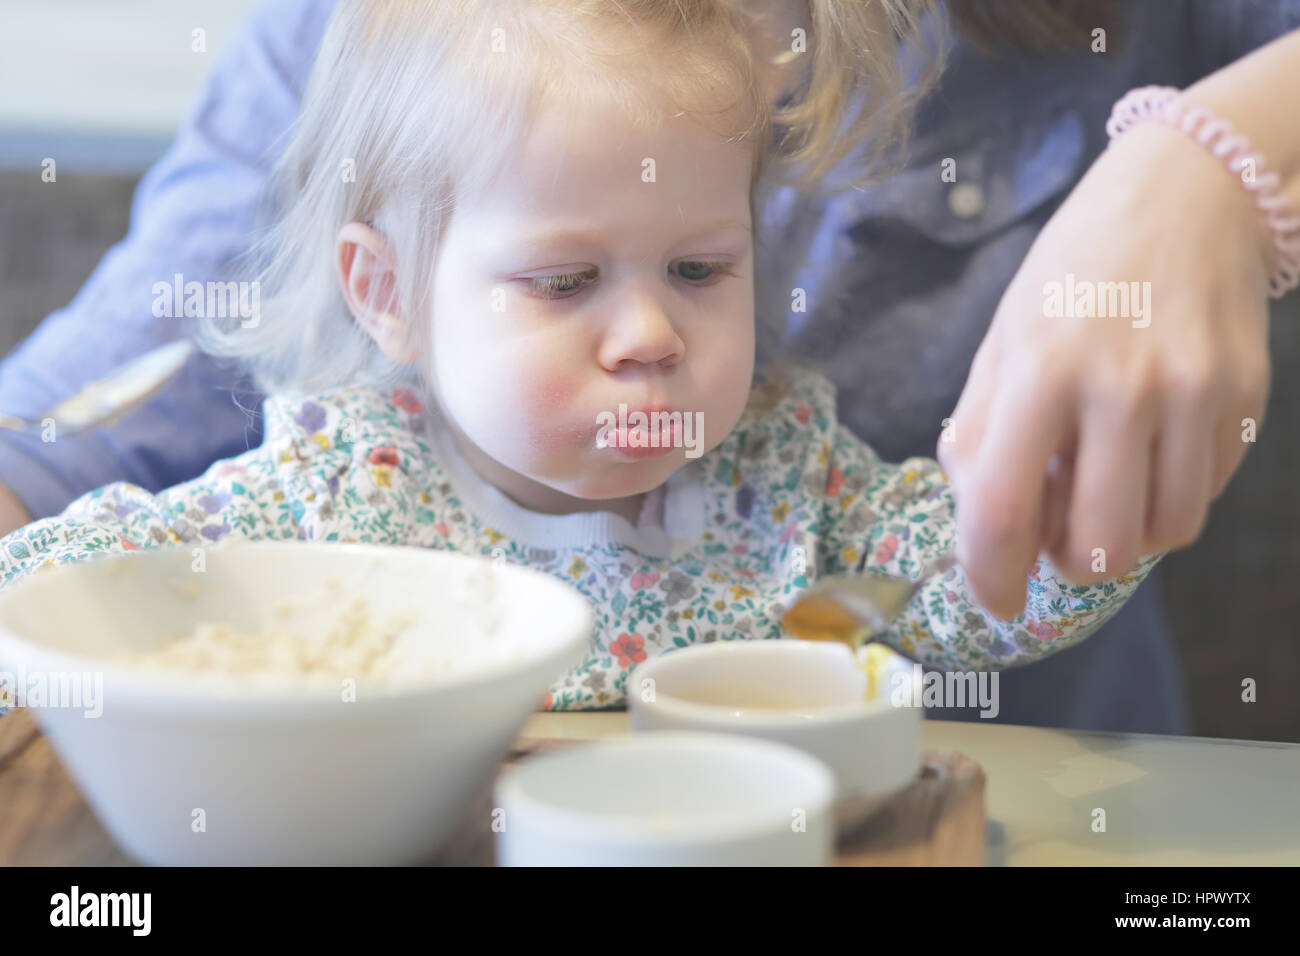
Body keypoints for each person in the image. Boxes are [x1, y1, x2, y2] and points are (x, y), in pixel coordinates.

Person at [1, 0, 1297, 728]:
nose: (649, 337)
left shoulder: (794, 486)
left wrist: (1088, 519)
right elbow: (84, 546)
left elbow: (969, 589)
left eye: (699, 271)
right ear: (387, 295)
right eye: (564, 284)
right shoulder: (338, 488)